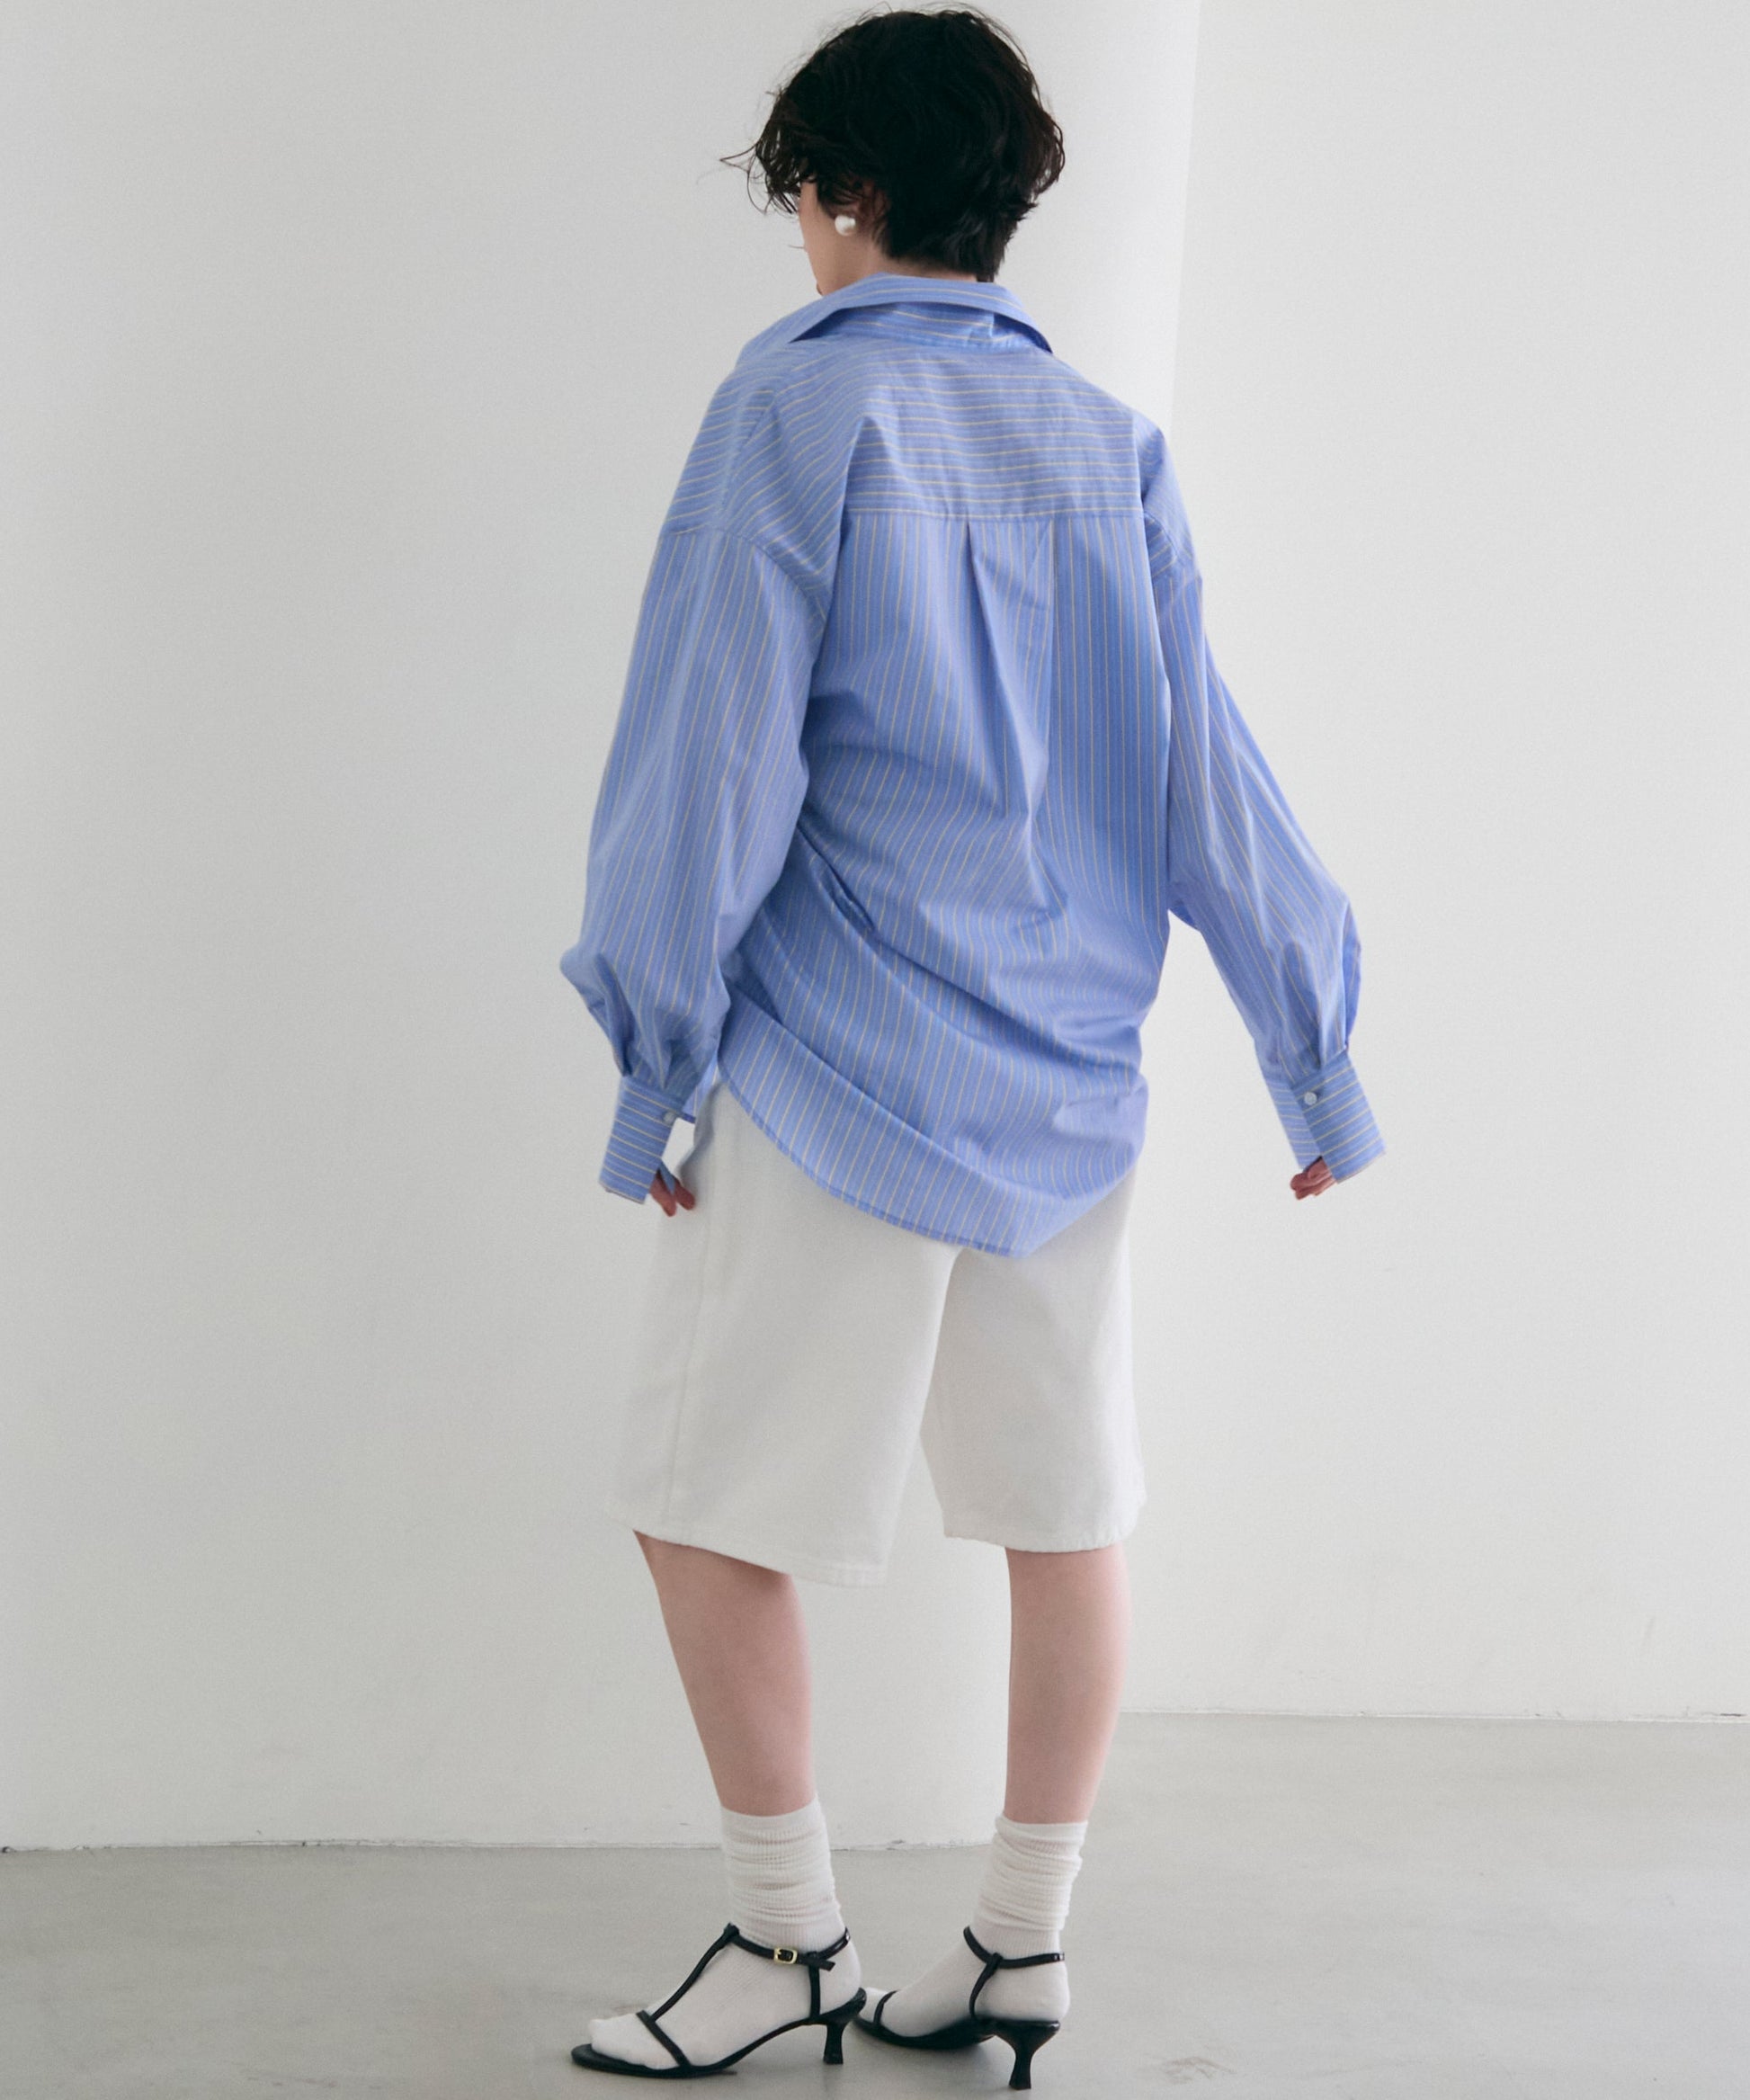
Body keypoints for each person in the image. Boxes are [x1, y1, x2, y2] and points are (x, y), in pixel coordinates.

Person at [558, 6, 1384, 2085]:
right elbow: (1210, 772)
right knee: (1061, 1508)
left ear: (844, 193)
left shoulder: (793, 407)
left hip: (836, 1069)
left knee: (703, 1501)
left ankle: (784, 1940)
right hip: (1069, 1084)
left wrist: (656, 1061)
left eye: (801, 198)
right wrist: (1310, 1053)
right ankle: (1021, 1950)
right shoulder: (1108, 442)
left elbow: (710, 760)